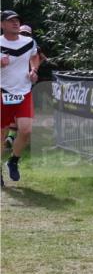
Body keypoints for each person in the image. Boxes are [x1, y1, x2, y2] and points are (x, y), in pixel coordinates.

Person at [0, 10, 40, 184]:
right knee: (1, 134)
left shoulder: (28, 42)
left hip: (24, 92)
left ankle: (13, 161)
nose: (15, 23)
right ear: (2, 25)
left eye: (17, 20)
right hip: (3, 92)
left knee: (26, 130)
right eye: (11, 21)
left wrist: (33, 70)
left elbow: (35, 57)